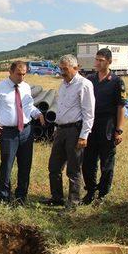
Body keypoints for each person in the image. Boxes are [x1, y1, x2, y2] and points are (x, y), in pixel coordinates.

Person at [0, 61, 45, 205]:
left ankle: (21, 198)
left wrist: (38, 114)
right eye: (19, 74)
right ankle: (4, 198)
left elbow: (28, 106)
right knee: (6, 165)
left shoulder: (25, 87)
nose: (22, 77)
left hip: (26, 131)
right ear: (10, 72)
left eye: (24, 74)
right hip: (8, 133)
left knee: (25, 165)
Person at [42, 55, 95, 208]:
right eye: (61, 69)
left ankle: (73, 202)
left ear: (76, 68)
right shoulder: (63, 84)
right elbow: (61, 108)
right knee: (54, 167)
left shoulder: (84, 85)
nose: (62, 72)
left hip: (75, 130)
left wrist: (84, 135)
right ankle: (56, 197)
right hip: (61, 130)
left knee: (73, 169)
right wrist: (56, 128)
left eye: (65, 69)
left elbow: (89, 113)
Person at [82, 48, 126, 205]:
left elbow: (121, 107)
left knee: (106, 163)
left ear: (109, 61)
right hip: (90, 124)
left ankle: (102, 194)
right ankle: (90, 192)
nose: (97, 63)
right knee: (88, 161)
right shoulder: (90, 79)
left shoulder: (116, 81)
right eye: (96, 59)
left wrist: (118, 130)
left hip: (107, 125)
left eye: (101, 60)